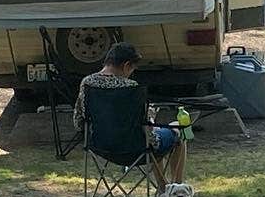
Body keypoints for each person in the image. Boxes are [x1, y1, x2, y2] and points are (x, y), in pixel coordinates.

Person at [74, 42, 186, 189]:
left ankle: (164, 187)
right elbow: (146, 126)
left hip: (100, 146)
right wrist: (151, 115)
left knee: (151, 136)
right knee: (178, 130)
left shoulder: (87, 83)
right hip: (135, 148)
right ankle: (177, 189)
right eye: (132, 69)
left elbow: (78, 121)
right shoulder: (131, 87)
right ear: (127, 65)